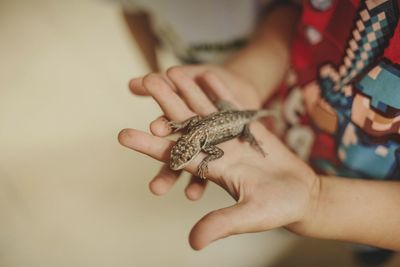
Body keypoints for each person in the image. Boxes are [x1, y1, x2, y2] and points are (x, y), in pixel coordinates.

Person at [118, 0, 400, 264]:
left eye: (183, 156)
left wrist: (319, 204)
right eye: (180, 157)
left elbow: (213, 150)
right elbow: (290, 9)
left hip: (374, 179)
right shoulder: (194, 132)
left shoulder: (203, 140)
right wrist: (246, 79)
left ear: (190, 149)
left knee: (369, 252)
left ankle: (371, 252)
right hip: (293, 121)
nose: (180, 158)